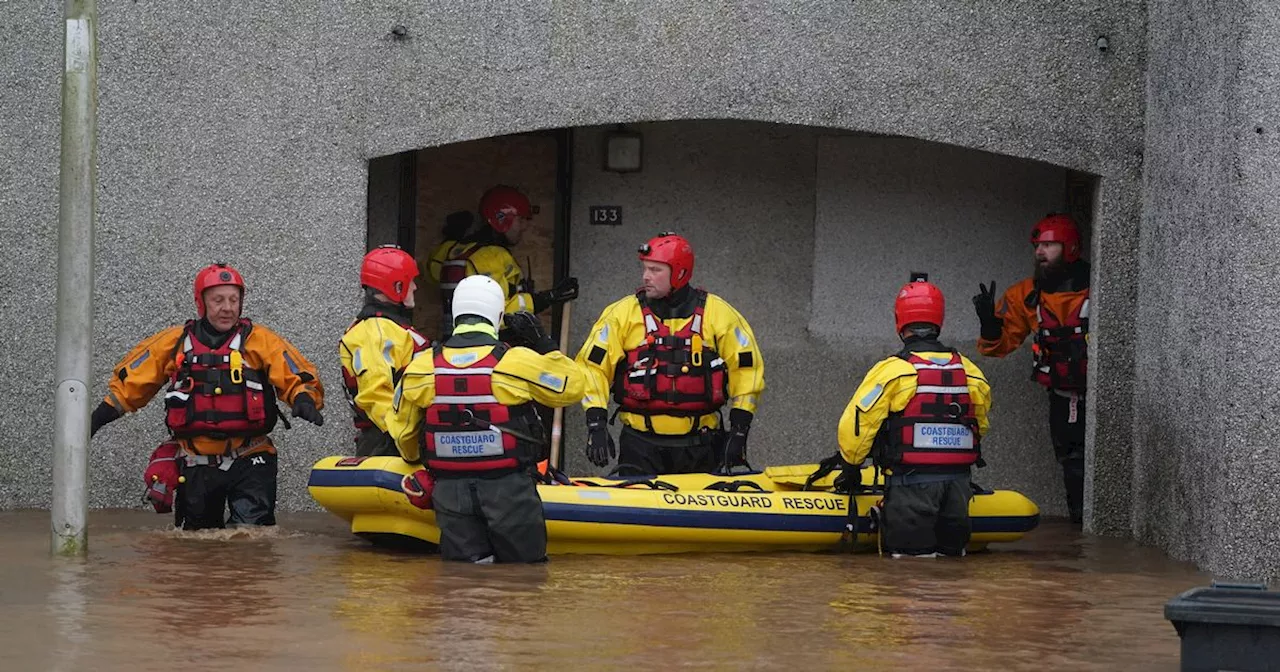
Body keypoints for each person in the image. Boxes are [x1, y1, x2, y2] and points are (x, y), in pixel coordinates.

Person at [89, 263, 325, 530]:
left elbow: (297, 374)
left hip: (251, 457)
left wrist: (304, 399)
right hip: (195, 461)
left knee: (253, 541)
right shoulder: (175, 342)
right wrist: (95, 420)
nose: (227, 308)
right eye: (218, 300)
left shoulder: (260, 341)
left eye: (234, 300)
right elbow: (130, 385)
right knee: (195, 547)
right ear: (200, 303)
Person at [385, 275, 586, 563]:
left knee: (462, 587)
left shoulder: (420, 367)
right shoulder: (515, 361)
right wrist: (542, 341)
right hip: (509, 492)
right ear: (497, 316)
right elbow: (574, 387)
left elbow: (404, 437)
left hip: (450, 494)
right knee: (524, 581)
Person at [575, 232, 765, 476]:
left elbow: (747, 369)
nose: (646, 276)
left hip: (701, 447)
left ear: (679, 273)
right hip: (640, 447)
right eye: (645, 268)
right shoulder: (622, 314)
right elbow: (592, 368)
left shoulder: (719, 314)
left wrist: (739, 431)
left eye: (655, 270)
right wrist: (596, 423)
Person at [834, 274, 991, 558]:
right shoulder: (969, 371)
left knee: (910, 572)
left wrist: (851, 466)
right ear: (938, 320)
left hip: (910, 486)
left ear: (900, 321)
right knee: (952, 566)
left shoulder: (893, 371)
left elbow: (858, 423)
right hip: (957, 487)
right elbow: (981, 424)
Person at [972, 213, 1089, 524]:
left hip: (1102, 393)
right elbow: (999, 346)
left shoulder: (1097, 287)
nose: (1040, 252)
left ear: (1071, 248)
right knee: (1071, 461)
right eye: (1038, 245)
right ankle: (1080, 526)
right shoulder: (1026, 294)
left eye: (1049, 245)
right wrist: (990, 326)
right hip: (1063, 394)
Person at [427, 186, 578, 334]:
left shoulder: (454, 249)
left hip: (453, 339)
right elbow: (498, 312)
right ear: (502, 220)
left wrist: (450, 239)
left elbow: (432, 272)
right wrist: (546, 298)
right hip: (491, 343)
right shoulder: (491, 256)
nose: (525, 226)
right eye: (521, 220)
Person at [339, 245, 430, 457]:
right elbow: (376, 393)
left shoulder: (387, 328)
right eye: (410, 281)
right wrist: (403, 437)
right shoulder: (376, 331)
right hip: (388, 443)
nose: (415, 287)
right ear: (396, 285)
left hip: (394, 437)